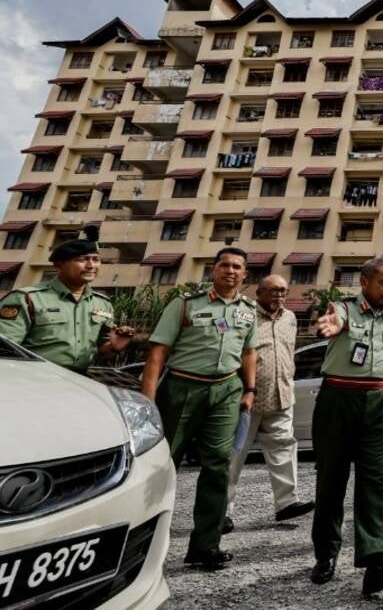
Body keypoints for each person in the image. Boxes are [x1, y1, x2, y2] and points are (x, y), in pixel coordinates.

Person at [140, 247, 259, 570]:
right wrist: (148, 400)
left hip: (226, 391)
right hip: (182, 388)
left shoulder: (249, 310)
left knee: (218, 466)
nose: (230, 271)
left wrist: (249, 389)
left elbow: (249, 352)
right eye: (224, 265)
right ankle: (139, 545)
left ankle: (205, 545)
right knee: (163, 465)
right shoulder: (186, 304)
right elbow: (157, 353)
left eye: (237, 267)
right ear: (213, 270)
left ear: (244, 274)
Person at [308, 258, 383, 597]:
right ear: (365, 282)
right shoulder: (342, 308)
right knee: (331, 481)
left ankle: (376, 561)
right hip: (339, 399)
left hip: (381, 402)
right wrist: (329, 324)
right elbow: (330, 321)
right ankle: (326, 554)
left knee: (378, 482)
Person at [224, 275, 314, 535]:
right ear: (260, 292)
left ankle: (286, 503)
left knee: (284, 449)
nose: (279, 296)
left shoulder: (290, 318)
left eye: (283, 291)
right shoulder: (245, 315)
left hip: (281, 396)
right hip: (246, 399)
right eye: (273, 291)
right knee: (233, 455)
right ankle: (221, 512)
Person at [0, 225, 134, 371]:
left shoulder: (103, 304)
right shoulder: (27, 299)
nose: (91, 265)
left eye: (96, 260)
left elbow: (102, 352)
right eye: (82, 259)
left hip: (76, 381)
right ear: (59, 265)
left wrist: (115, 346)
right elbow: (5, 349)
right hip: (31, 378)